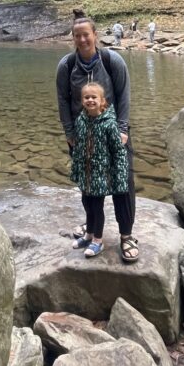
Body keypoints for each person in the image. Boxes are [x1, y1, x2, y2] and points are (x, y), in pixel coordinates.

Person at [56, 11, 139, 262]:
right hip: (82, 138)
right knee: (89, 187)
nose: (82, 40)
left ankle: (126, 236)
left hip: (114, 134)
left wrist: (123, 129)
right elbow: (62, 101)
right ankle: (93, 231)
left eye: (86, 35)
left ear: (95, 35)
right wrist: (69, 133)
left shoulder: (111, 60)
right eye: (77, 36)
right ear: (73, 38)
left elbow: (124, 95)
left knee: (122, 185)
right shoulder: (67, 66)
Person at [69, 82, 129, 258]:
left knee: (97, 207)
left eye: (94, 97)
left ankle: (98, 241)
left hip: (100, 175)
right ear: (82, 101)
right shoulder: (81, 120)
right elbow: (79, 148)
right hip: (85, 174)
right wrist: (76, 169)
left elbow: (118, 151)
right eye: (86, 97)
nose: (90, 100)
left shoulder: (109, 124)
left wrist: (119, 173)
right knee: (87, 205)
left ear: (102, 101)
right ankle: (88, 235)